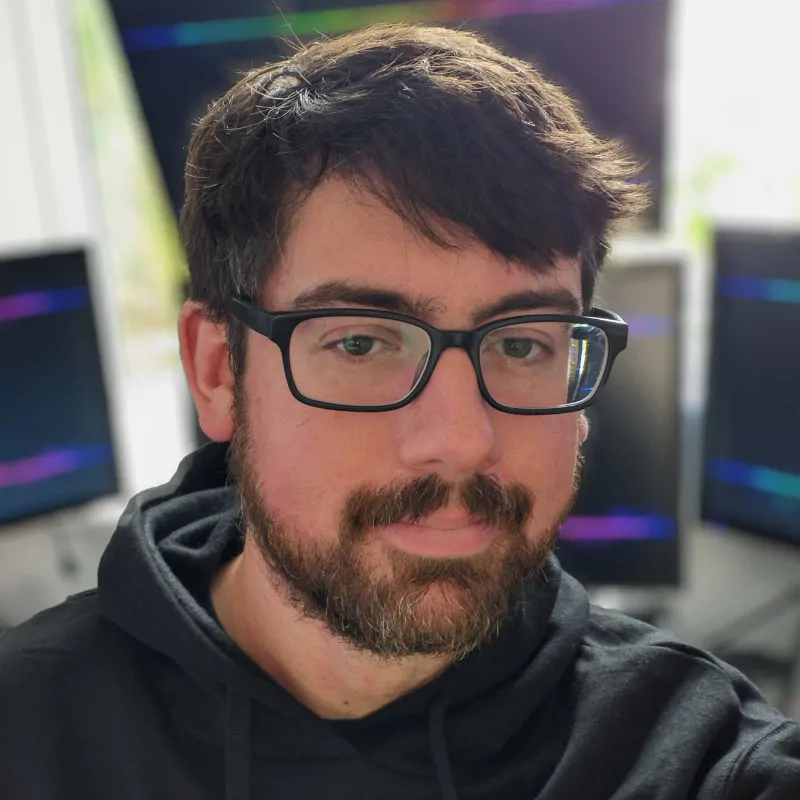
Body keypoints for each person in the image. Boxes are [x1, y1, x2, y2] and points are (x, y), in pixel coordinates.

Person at [0, 23, 798, 800]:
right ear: (217, 373)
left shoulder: (697, 756)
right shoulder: (29, 733)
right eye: (359, 343)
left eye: (523, 345)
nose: (458, 440)